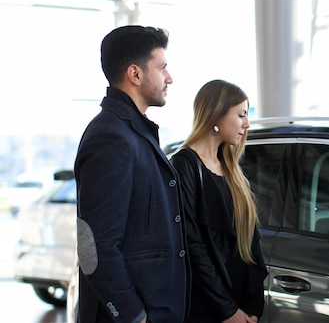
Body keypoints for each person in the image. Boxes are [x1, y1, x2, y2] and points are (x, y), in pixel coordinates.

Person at [74, 25, 189, 323]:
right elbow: (94, 247)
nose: (170, 78)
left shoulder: (133, 132)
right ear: (135, 74)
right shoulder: (111, 137)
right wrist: (133, 316)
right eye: (162, 67)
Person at [170, 79, 268, 323]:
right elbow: (193, 245)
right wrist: (228, 311)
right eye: (241, 114)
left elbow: (251, 243)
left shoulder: (231, 168)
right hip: (209, 310)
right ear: (216, 114)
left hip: (240, 307)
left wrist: (254, 307)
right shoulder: (185, 165)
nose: (247, 123)